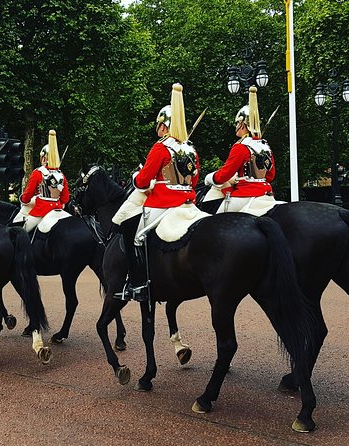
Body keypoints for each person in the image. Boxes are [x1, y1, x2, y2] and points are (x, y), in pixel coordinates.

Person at [115, 83, 199, 301]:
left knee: (135, 236)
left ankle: (138, 284)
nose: (158, 129)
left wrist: (138, 177)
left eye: (159, 125)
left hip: (163, 204)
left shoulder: (161, 147)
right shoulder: (191, 149)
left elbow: (142, 182)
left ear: (164, 126)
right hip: (188, 203)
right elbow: (195, 180)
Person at [203, 86, 278, 215]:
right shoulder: (265, 146)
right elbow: (270, 176)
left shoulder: (241, 146)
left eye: (237, 123)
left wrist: (210, 178)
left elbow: (224, 176)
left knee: (209, 212)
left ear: (243, 124)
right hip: (267, 193)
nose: (236, 127)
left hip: (246, 195)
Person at [15, 129, 70, 232]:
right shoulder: (61, 174)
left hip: (41, 210)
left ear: (44, 158)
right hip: (58, 209)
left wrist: (24, 200)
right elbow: (65, 198)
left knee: (22, 231)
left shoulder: (38, 172)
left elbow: (28, 194)